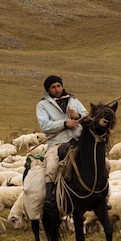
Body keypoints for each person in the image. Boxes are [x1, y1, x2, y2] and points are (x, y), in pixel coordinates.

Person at [36, 75, 88, 214]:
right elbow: (45, 125)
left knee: (103, 163)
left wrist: (77, 116)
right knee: (52, 164)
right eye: (53, 87)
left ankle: (103, 196)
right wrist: (65, 123)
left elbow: (87, 117)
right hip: (57, 142)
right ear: (48, 89)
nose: (57, 89)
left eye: (58, 86)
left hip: (77, 140)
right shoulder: (42, 105)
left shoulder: (73, 100)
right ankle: (50, 196)